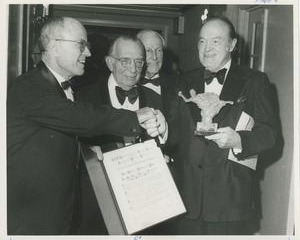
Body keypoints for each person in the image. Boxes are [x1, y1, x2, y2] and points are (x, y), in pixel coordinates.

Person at [7, 17, 164, 235]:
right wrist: (135, 117)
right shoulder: (29, 87)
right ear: (54, 46)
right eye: (81, 45)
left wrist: (85, 150)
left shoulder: (62, 88)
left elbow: (53, 135)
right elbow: (78, 117)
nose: (89, 53)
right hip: (32, 217)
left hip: (59, 214)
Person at [174, 16, 277, 235]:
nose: (207, 48)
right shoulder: (184, 80)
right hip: (186, 199)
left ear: (232, 45)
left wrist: (239, 140)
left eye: (216, 41)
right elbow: (175, 132)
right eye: (202, 41)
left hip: (229, 200)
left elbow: (269, 135)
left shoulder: (255, 81)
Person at [75, 34, 168, 235]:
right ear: (110, 63)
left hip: (145, 205)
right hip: (97, 207)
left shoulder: (155, 99)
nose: (133, 69)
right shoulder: (84, 98)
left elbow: (166, 145)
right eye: (125, 61)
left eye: (138, 62)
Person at [137, 30, 180, 165]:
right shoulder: (124, 84)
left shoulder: (179, 84)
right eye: (148, 51)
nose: (155, 57)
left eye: (159, 50)